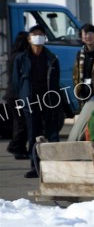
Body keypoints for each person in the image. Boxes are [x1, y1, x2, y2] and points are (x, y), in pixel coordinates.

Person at [12, 25, 68, 178]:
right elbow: (16, 82)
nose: (38, 37)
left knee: (52, 133)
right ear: (29, 39)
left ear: (44, 38)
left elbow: (55, 82)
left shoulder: (51, 58)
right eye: (34, 35)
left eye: (41, 34)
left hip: (49, 100)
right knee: (33, 134)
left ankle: (56, 166)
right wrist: (23, 98)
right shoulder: (21, 59)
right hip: (30, 101)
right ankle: (35, 166)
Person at [4, 31, 30, 159]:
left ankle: (18, 149)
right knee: (23, 123)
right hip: (17, 96)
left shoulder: (13, 55)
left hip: (12, 95)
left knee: (18, 123)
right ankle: (15, 146)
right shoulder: (20, 57)